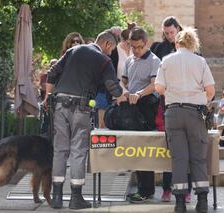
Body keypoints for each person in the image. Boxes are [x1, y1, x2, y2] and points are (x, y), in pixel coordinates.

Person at [44, 29, 123, 209]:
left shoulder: (73, 50)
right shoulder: (104, 60)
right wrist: (124, 95)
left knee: (60, 150)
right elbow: (113, 87)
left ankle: (56, 197)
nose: (111, 53)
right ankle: (75, 198)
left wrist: (48, 95)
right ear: (107, 44)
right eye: (111, 50)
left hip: (59, 105)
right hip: (81, 107)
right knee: (78, 151)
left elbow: (52, 73)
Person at [155, 27, 215, 213]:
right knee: (198, 158)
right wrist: (199, 100)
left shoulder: (166, 60)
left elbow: (158, 87)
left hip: (173, 113)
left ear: (177, 43)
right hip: (195, 113)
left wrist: (174, 93)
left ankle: (180, 203)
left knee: (179, 158)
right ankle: (202, 201)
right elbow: (210, 91)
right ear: (193, 43)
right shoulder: (200, 61)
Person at [151, 16, 193, 203]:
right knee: (169, 148)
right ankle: (167, 189)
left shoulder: (191, 49)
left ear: (178, 30)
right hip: (165, 104)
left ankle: (187, 190)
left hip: (187, 103)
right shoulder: (158, 49)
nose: (169, 36)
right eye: (166, 33)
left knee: (188, 150)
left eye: (171, 33)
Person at [116, 27, 161, 203]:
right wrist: (124, 92)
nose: (135, 51)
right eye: (132, 47)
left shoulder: (155, 61)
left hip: (147, 106)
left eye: (139, 47)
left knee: (144, 149)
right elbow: (123, 81)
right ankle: (143, 188)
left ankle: (146, 190)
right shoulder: (129, 60)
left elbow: (154, 84)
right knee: (135, 149)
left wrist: (139, 94)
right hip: (131, 106)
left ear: (146, 43)